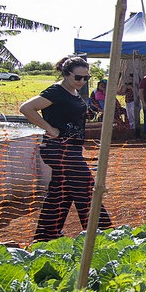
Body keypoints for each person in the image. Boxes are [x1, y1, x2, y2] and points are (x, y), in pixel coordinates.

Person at [19, 56, 113, 242]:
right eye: (78, 77)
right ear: (67, 74)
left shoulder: (73, 92)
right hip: (59, 149)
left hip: (71, 150)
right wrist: (50, 129)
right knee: (86, 188)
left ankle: (45, 236)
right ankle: (102, 234)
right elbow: (26, 108)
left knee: (61, 192)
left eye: (86, 78)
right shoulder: (56, 91)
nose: (82, 81)